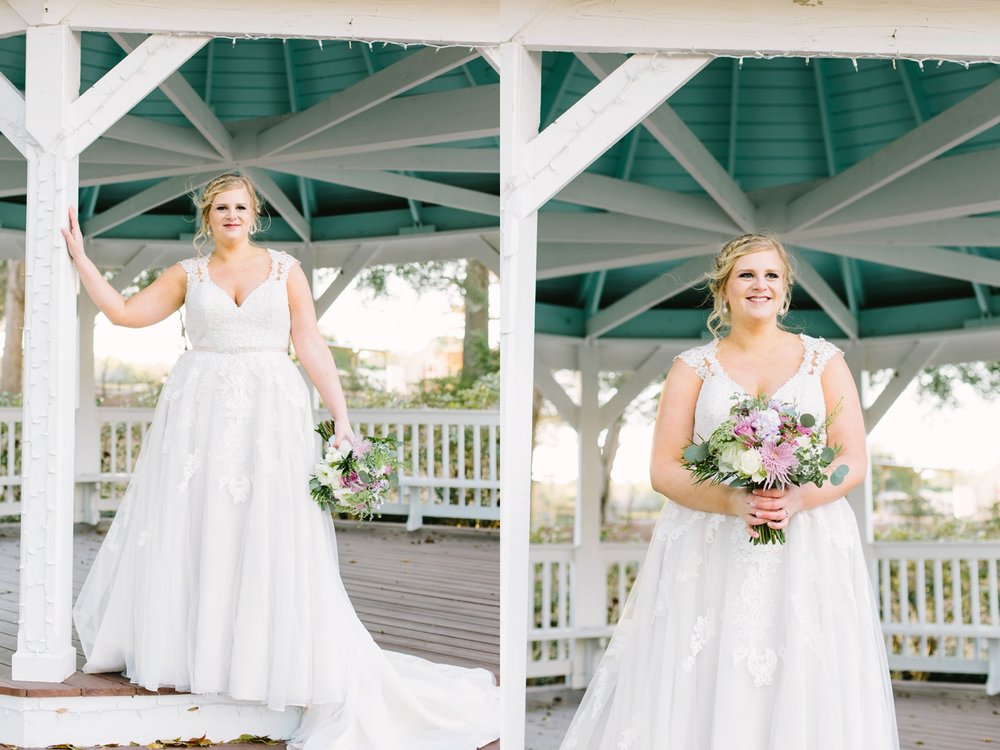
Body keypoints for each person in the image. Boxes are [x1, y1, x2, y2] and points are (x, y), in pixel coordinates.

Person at [66, 173, 500, 750]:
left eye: (240, 206)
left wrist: (342, 417)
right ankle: (201, 652)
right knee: (200, 522)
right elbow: (123, 313)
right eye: (220, 207)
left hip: (272, 412)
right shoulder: (187, 274)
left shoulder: (284, 269)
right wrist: (79, 257)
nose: (231, 215)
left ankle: (265, 658)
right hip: (200, 413)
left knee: (270, 526)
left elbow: (310, 341)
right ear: (206, 216)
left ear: (256, 213)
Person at [559, 234, 898, 749]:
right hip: (711, 545)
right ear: (724, 288)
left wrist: (799, 498)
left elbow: (852, 458)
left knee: (803, 668)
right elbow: (665, 469)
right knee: (711, 667)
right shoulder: (693, 367)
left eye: (771, 276)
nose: (759, 285)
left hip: (806, 543)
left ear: (785, 291)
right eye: (746, 275)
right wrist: (735, 501)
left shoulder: (824, 361)